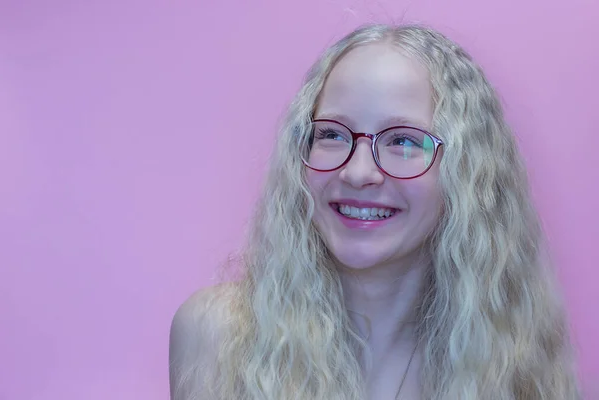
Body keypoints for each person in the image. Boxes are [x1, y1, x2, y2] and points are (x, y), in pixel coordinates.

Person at [168, 23, 581, 399]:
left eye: (403, 141)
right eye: (330, 134)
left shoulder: (513, 363)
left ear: (467, 172)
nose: (358, 171)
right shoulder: (214, 336)